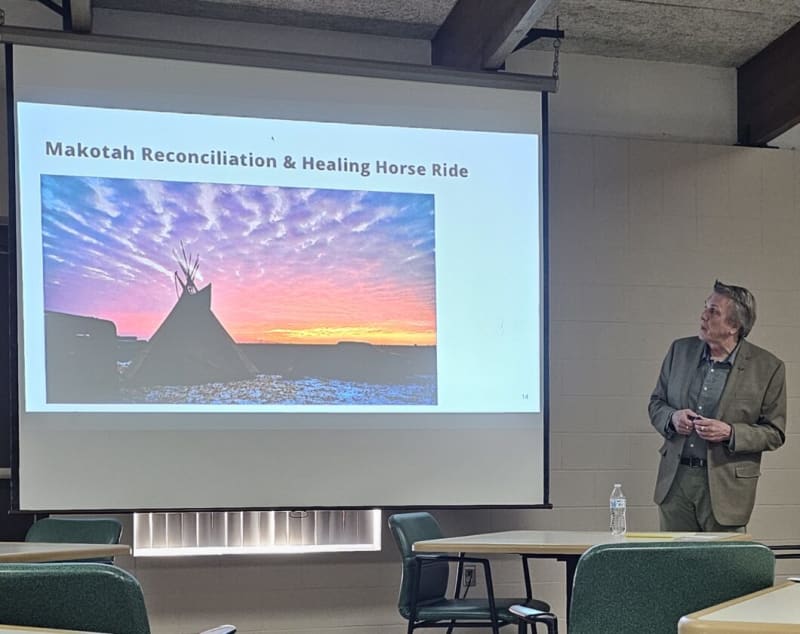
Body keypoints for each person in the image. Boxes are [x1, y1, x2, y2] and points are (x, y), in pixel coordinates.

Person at [649, 280, 786, 531]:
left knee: (720, 569)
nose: (703, 315)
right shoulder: (679, 351)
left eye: (713, 311)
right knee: (673, 567)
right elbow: (656, 404)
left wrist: (730, 433)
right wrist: (672, 418)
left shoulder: (768, 368)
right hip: (676, 482)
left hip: (726, 489)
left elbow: (774, 433)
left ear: (734, 325)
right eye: (705, 307)